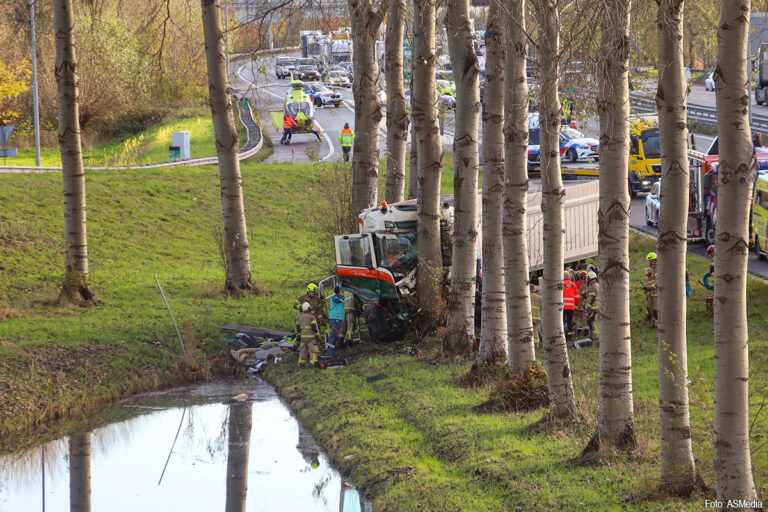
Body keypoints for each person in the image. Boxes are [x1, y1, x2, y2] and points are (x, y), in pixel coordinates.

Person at [296, 302, 321, 367]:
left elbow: (298, 329)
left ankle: (301, 364)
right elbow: (315, 328)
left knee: (303, 351)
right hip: (311, 338)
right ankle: (313, 363)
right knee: (313, 351)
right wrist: (318, 337)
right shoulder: (311, 317)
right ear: (309, 308)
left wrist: (298, 337)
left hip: (303, 338)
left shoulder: (299, 317)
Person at [327, 285, 345, 356]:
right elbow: (338, 300)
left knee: (335, 335)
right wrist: (341, 296)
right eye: (341, 291)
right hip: (335, 319)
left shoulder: (340, 297)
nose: (343, 292)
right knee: (334, 335)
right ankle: (331, 352)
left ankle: (331, 350)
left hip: (338, 319)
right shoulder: (335, 297)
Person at [643, 252, 659, 328]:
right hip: (649, 293)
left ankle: (656, 323)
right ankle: (650, 318)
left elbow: (659, 281)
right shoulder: (649, 270)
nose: (650, 262)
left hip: (657, 293)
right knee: (649, 307)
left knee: (656, 309)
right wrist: (645, 288)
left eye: (651, 260)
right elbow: (646, 279)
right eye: (649, 261)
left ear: (655, 260)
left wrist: (652, 286)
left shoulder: (659, 269)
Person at [562, 269, 579, 337]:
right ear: (569, 276)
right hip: (571, 307)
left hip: (563, 307)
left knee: (562, 322)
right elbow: (577, 297)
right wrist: (576, 305)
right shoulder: (573, 284)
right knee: (569, 322)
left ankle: (563, 336)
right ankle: (570, 336)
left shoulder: (561, 284)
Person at [584, 271, 600, 341]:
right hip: (598, 307)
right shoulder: (598, 285)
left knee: (592, 321)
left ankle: (595, 336)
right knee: (596, 321)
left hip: (593, 308)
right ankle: (597, 336)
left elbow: (591, 298)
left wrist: (587, 307)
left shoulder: (592, 287)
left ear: (590, 278)